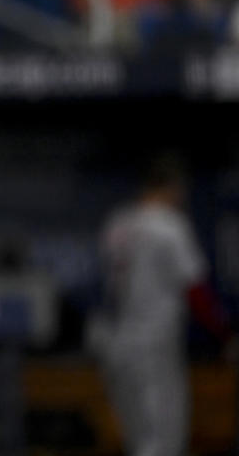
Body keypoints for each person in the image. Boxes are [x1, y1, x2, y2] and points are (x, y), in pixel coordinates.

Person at [89, 155, 233, 456]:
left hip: (116, 341)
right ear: (171, 187)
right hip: (155, 342)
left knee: (138, 438)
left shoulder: (119, 221)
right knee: (163, 441)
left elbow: (104, 287)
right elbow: (196, 291)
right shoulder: (170, 226)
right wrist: (224, 333)